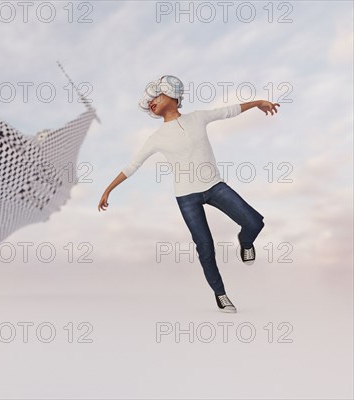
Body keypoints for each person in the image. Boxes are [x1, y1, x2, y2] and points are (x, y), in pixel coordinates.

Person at [98, 75, 280, 313]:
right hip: (187, 197)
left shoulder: (198, 118)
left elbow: (229, 111)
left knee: (255, 222)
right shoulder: (156, 138)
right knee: (205, 246)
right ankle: (220, 294)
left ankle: (245, 242)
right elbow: (132, 166)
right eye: (150, 101)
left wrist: (257, 103)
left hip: (215, 186)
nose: (152, 102)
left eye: (157, 96)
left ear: (172, 96)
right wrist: (108, 189)